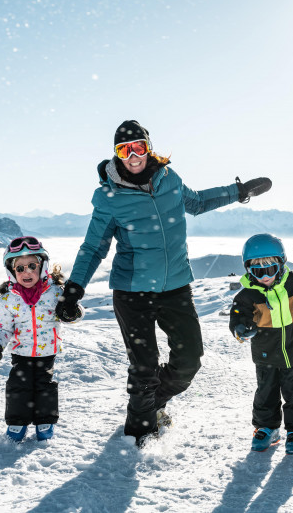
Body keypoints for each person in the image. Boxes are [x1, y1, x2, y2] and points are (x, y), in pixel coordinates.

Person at [55, 119, 272, 446]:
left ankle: (152, 405)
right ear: (116, 154)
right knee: (144, 367)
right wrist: (74, 290)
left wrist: (238, 192)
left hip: (175, 287)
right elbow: (93, 247)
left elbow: (197, 202)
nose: (132, 156)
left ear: (148, 147)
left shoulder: (169, 179)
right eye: (124, 150)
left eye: (138, 147)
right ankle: (138, 432)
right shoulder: (109, 197)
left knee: (189, 360)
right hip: (131, 292)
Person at [229, 234, 293, 455]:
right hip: (265, 355)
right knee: (266, 393)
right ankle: (267, 427)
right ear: (248, 271)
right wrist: (241, 328)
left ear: (281, 266)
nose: (264, 277)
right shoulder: (247, 296)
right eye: (257, 272)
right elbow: (237, 316)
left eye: (270, 270)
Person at [0, 236, 80, 442]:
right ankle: (17, 421)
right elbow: (2, 328)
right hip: (21, 352)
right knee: (18, 385)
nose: (26, 272)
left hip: (47, 351)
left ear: (42, 266)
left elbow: (71, 312)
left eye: (31, 265)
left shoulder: (55, 293)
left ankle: (44, 421)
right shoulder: (7, 300)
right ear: (12, 272)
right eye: (20, 268)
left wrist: (71, 312)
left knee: (44, 386)